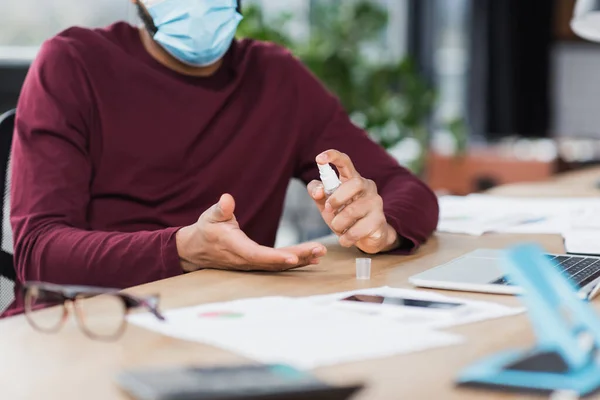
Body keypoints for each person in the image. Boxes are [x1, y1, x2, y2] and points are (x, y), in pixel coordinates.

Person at [6, 0, 439, 311]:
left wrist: (380, 228)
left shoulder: (276, 78)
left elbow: (409, 191)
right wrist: (183, 249)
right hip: (82, 329)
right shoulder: (73, 64)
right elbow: (38, 252)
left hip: (221, 323)